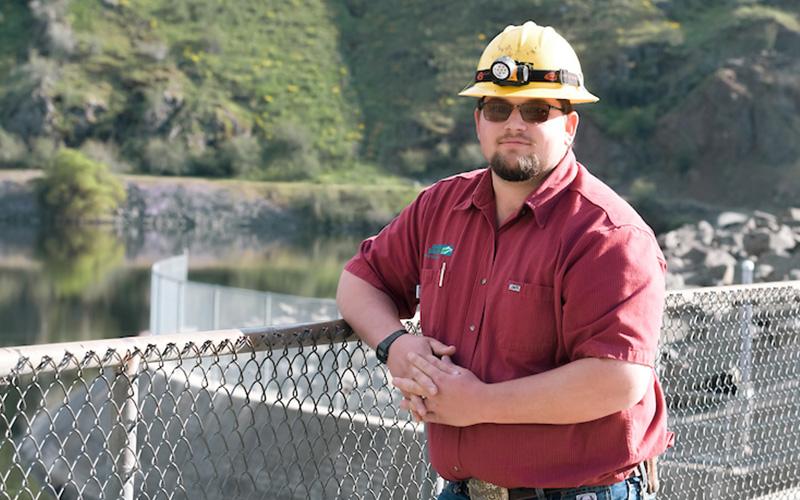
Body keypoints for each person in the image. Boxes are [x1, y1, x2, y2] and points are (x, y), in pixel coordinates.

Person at [336, 21, 672, 500]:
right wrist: (397, 346)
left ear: (569, 125)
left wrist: (478, 403)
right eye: (497, 108)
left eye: (536, 110)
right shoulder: (440, 206)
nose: (514, 124)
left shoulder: (608, 234)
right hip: (463, 489)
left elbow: (617, 379)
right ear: (479, 122)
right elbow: (359, 281)